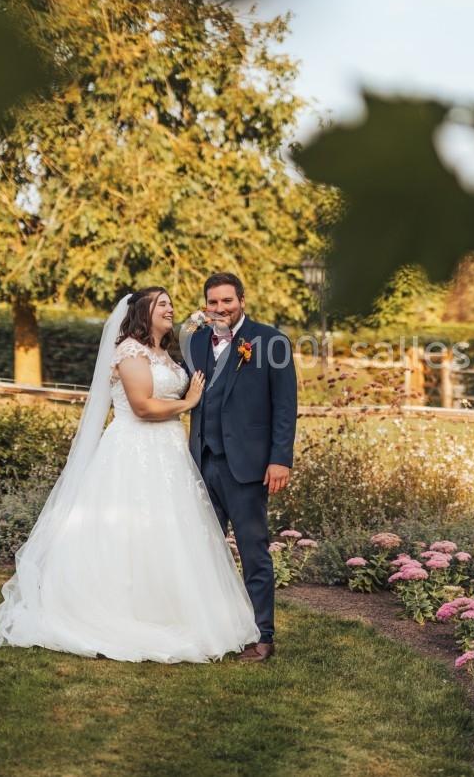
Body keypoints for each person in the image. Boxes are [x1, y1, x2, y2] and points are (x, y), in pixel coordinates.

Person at [0, 287, 260, 662]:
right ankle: (119, 613)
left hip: (167, 453)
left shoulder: (165, 353)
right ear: (143, 312)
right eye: (161, 304)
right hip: (134, 451)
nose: (170, 309)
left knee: (169, 534)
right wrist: (189, 402)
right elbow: (144, 407)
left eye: (170, 304)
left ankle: (173, 611)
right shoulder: (130, 350)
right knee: (129, 533)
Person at [184, 272, 297, 663]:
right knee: (203, 551)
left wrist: (280, 458)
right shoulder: (196, 341)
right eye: (212, 302)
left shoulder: (271, 341)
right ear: (205, 304)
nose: (220, 309)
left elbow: (285, 405)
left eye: (227, 301)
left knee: (253, 551)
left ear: (242, 300)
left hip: (247, 466)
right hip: (202, 461)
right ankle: (212, 630)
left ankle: (262, 635)